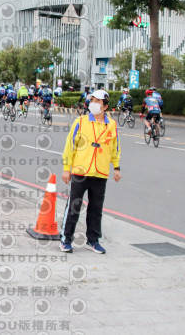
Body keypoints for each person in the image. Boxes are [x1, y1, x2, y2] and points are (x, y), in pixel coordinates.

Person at [60, 90, 121, 254]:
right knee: (74, 206)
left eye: (98, 101)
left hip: (100, 172)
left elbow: (115, 148)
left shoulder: (112, 125)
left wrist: (116, 167)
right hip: (80, 170)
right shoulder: (81, 121)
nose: (93, 103)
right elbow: (70, 145)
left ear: (105, 106)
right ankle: (66, 239)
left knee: (96, 209)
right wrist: (67, 168)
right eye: (92, 99)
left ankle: (93, 240)